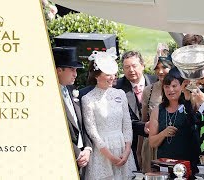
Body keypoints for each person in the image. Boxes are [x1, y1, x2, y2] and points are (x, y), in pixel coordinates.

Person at [82, 48, 136, 179]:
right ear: (96, 75)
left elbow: (127, 124)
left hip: (122, 147)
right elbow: (92, 132)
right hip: (102, 152)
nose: (112, 77)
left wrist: (127, 149)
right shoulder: (88, 99)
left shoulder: (120, 94)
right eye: (107, 74)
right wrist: (110, 156)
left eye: (113, 73)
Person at [53, 46, 92, 180]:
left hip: (81, 157)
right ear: (58, 70)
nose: (75, 74)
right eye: (72, 69)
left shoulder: (71, 89)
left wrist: (87, 148)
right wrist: (77, 153)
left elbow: (81, 123)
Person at [148, 74, 200, 175]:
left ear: (181, 87)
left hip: (188, 162)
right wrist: (163, 133)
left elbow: (195, 124)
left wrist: (188, 99)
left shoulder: (191, 105)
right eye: (167, 87)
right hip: (165, 165)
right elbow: (152, 143)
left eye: (174, 86)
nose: (170, 90)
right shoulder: (158, 110)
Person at [115, 50, 157, 169]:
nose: (131, 70)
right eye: (127, 67)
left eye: (134, 66)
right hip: (130, 144)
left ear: (143, 66)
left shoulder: (156, 82)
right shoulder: (117, 87)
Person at [137, 43, 173, 172]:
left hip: (171, 144)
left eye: (164, 67)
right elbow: (143, 120)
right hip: (150, 146)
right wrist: (139, 150)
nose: (160, 71)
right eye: (157, 68)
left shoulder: (178, 89)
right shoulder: (149, 90)